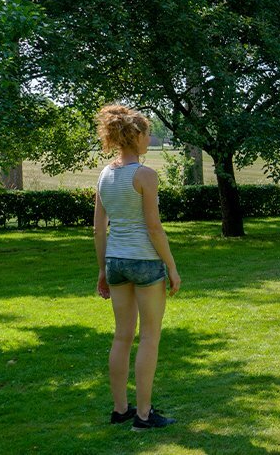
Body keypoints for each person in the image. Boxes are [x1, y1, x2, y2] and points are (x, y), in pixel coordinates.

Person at [93, 105, 180, 431]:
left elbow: (99, 230)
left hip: (115, 262)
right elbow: (154, 228)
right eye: (147, 133)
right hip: (144, 262)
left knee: (122, 337)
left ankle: (121, 410)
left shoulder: (105, 175)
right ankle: (144, 416)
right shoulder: (145, 175)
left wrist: (103, 270)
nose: (149, 138)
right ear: (135, 135)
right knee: (150, 338)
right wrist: (171, 267)